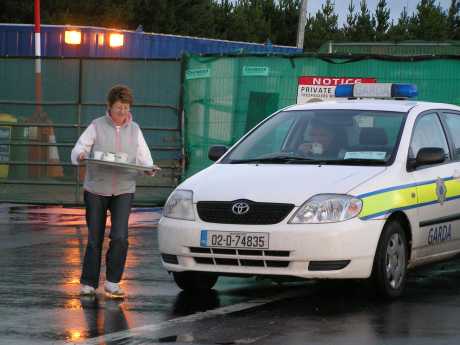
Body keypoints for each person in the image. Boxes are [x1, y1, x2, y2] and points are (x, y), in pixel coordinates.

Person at [71, 85, 157, 298]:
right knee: (94, 237)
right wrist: (81, 155)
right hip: (96, 189)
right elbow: (79, 148)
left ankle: (112, 282)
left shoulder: (135, 129)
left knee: (120, 237)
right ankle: (89, 283)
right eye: (119, 107)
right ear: (109, 107)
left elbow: (144, 157)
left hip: (124, 189)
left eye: (126, 108)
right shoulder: (96, 126)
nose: (122, 112)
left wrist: (149, 168)